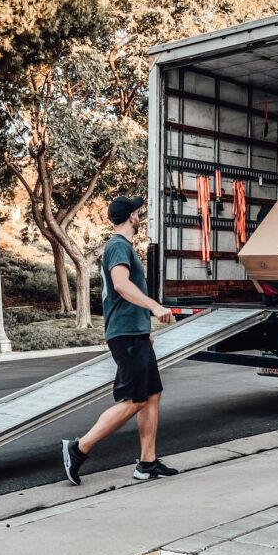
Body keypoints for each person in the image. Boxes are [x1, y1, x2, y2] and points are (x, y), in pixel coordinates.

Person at [62, 196, 177, 485]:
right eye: (137, 213)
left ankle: (147, 463)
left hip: (134, 333)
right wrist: (154, 307)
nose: (139, 216)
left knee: (151, 395)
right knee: (134, 400)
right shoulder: (117, 247)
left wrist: (145, 330)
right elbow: (121, 284)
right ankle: (78, 449)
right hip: (124, 334)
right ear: (130, 218)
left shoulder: (122, 247)